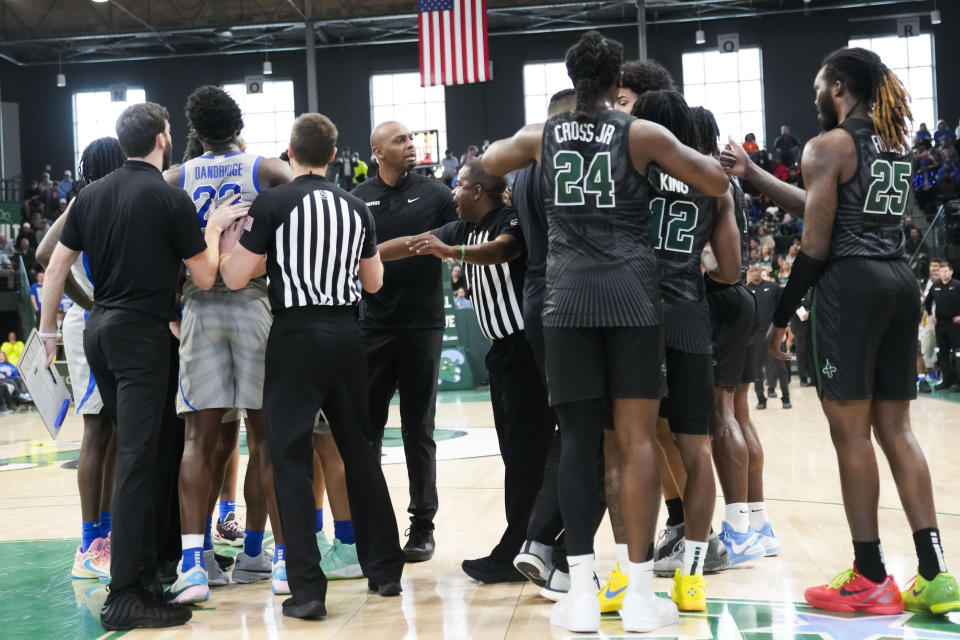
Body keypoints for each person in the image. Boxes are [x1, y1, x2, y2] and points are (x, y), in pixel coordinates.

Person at [481, 31, 729, 634]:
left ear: (569, 80)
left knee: (579, 438)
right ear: (620, 83)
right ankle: (642, 593)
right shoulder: (640, 132)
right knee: (640, 441)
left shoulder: (541, 135)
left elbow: (487, 165)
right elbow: (715, 181)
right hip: (632, 297)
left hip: (565, 299)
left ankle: (585, 593)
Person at [37, 101, 248, 631]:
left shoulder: (91, 195)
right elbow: (203, 277)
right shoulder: (169, 197)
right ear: (160, 139)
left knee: (150, 452)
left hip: (101, 329)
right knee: (135, 459)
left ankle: (150, 573)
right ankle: (126, 593)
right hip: (141, 336)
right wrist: (216, 225)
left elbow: (55, 263)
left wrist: (46, 330)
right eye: (170, 132)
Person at [766, 47, 959, 615]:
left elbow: (817, 243)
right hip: (899, 279)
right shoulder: (894, 146)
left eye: (818, 87)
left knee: (850, 434)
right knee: (897, 429)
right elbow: (827, 209)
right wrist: (754, 176)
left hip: (850, 288)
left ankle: (871, 574)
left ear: (840, 88)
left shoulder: (827, 146)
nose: (814, 98)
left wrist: (780, 316)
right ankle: (935, 572)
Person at [219, 111, 405, 618]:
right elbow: (375, 284)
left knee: (292, 457)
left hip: (295, 334)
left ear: (289, 152)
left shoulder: (273, 202)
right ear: (333, 154)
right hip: (347, 335)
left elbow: (235, 277)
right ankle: (386, 571)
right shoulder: (355, 207)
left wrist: (227, 235)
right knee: (360, 451)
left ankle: (306, 591)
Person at [382, 160, 555, 583]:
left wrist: (453, 254)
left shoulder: (510, 220)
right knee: (517, 457)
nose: (451, 192)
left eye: (458, 185)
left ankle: (520, 548)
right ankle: (537, 544)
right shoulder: (462, 228)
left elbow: (505, 250)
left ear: (478, 191)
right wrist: (362, 252)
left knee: (526, 459)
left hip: (529, 353)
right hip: (502, 355)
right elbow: (413, 243)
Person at [161, 85, 292, 603]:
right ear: (238, 126)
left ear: (193, 132)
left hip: (197, 304)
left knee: (199, 440)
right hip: (254, 302)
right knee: (267, 437)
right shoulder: (267, 170)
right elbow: (302, 193)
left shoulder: (174, 178)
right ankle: (279, 559)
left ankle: (194, 565)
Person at [617, 92, 743, 612]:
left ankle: (633, 575)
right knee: (696, 448)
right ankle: (692, 575)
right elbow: (730, 273)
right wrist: (697, 267)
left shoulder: (631, 171)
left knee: (634, 447)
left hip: (635, 316)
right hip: (690, 316)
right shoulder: (713, 186)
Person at [350, 121, 459, 562]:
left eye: (412, 138)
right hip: (371, 327)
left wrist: (434, 244)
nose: (411, 145)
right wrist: (410, 245)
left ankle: (422, 527)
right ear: (378, 151)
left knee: (419, 430)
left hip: (422, 326)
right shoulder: (358, 200)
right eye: (400, 140)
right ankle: (374, 527)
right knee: (367, 433)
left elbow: (459, 231)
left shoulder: (435, 194)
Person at [37, 137, 125, 582]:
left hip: (102, 318)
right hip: (90, 320)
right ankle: (89, 541)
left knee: (111, 429)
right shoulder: (88, 203)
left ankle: (106, 535)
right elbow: (42, 256)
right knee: (96, 429)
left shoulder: (92, 200)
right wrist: (86, 302)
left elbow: (40, 253)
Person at [925, 262, 960, 392]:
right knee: (943, 354)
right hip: (940, 325)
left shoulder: (957, 285)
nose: (943, 274)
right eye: (941, 271)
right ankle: (946, 380)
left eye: (946, 271)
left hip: (955, 325)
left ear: (951, 272)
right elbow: (928, 302)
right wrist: (930, 315)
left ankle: (957, 382)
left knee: (957, 354)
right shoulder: (935, 286)